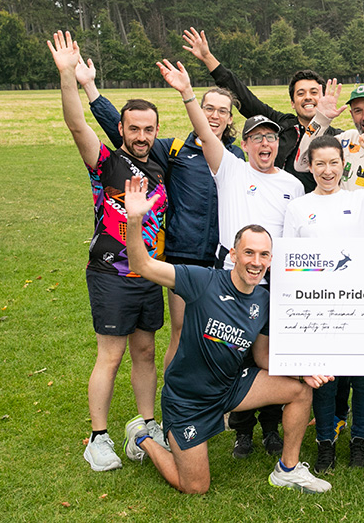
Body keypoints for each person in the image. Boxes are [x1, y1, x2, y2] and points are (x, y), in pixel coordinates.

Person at [121, 176, 332, 494]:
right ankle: (143, 437)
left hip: (232, 386)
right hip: (188, 400)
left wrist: (301, 370)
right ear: (234, 253)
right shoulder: (201, 280)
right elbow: (142, 264)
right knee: (194, 487)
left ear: (271, 260)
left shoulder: (263, 300)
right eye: (249, 253)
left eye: (264, 255)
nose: (256, 262)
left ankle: (287, 470)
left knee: (300, 392)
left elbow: (261, 357)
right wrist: (134, 221)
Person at [158, 58, 307, 460]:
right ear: (243, 144)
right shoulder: (231, 170)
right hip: (231, 277)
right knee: (233, 352)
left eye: (271, 139)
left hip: (274, 278)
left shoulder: (293, 184)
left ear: (279, 144)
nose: (264, 144)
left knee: (270, 351)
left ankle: (272, 426)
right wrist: (188, 93)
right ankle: (240, 429)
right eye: (256, 138)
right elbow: (206, 134)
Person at [74, 54, 245, 372]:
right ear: (197, 110)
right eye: (209, 108)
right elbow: (126, 135)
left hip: (223, 259)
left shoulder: (237, 157)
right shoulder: (175, 150)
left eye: (223, 111)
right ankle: (175, 402)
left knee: (220, 335)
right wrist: (90, 88)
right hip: (182, 256)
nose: (214, 116)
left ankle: (215, 400)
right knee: (180, 333)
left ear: (230, 118)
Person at [47, 31, 169, 472]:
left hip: (147, 275)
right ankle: (98, 439)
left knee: (145, 353)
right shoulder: (104, 162)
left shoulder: (159, 164)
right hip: (109, 274)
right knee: (111, 354)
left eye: (148, 129)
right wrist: (68, 78)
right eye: (133, 128)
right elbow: (77, 123)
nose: (140, 135)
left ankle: (146, 427)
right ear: (120, 128)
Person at [282, 134, 364, 472]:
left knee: (363, 380)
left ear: (343, 165)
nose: (328, 170)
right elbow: (291, 260)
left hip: (360, 305)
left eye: (334, 163)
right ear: (310, 166)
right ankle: (325, 443)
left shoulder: (359, 199)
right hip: (318, 309)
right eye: (320, 163)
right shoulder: (299, 207)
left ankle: (359, 441)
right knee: (324, 380)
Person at [182, 27, 341, 193]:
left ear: (323, 97)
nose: (308, 97)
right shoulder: (281, 125)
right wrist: (208, 57)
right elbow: (245, 98)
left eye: (314, 92)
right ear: (293, 103)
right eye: (301, 93)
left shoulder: (337, 137)